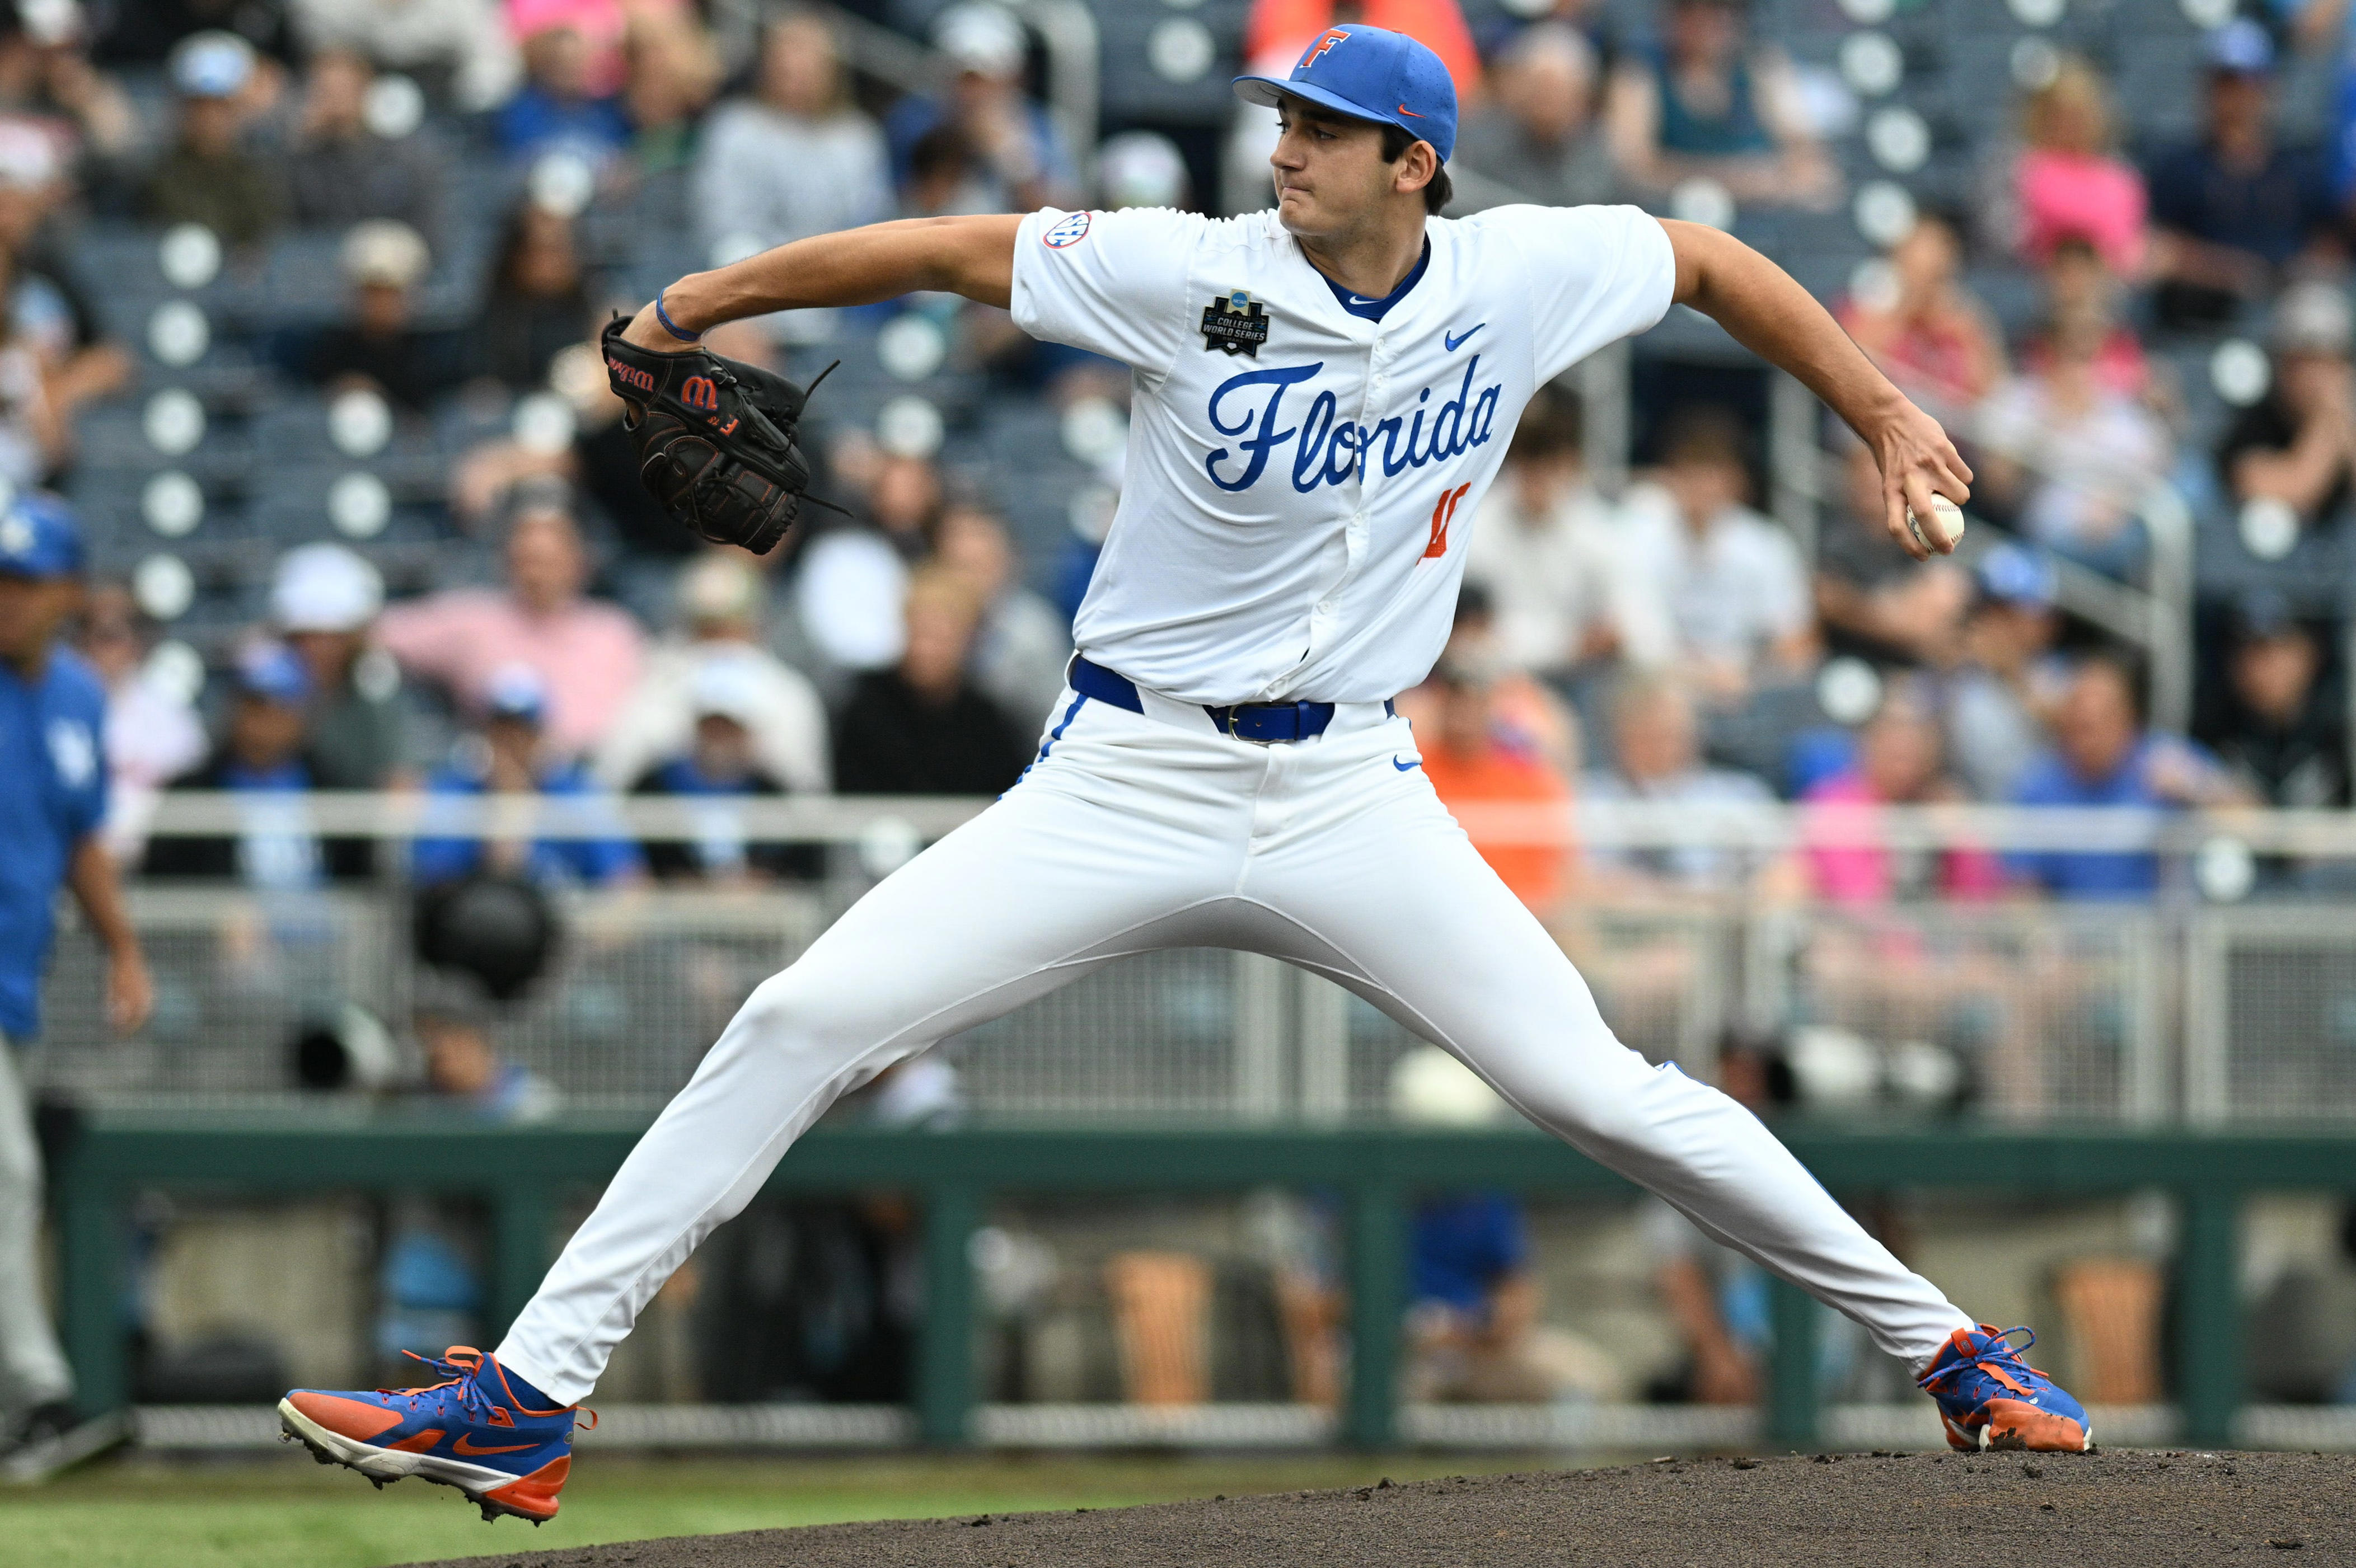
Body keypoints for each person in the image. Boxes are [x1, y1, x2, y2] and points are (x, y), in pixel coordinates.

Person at [281, 26, 2090, 1525]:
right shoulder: (1182, 268)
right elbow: (933, 247)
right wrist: (694, 301)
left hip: (1355, 795)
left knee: (1603, 1092)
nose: (1285, 144)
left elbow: (1705, 263)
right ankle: (526, 1399)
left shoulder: (1517, 276)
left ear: (1414, 167)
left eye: (1327, 127)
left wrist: (1866, 401)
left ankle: (1951, 1356)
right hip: (1125, 771)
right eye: (1285, 116)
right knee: (799, 1015)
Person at [0, 493, 149, 1455]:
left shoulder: (78, 698)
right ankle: (37, 1393)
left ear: (68, 591)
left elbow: (79, 835)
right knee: (7, 1171)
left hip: (17, 978)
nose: (8, 599)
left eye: (25, 581)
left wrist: (122, 946)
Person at [376, 504, 645, 759]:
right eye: (527, 561)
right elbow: (380, 631)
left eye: (549, 561)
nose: (537, 574)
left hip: (595, 782)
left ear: (579, 563)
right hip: (494, 781)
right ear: (506, 563)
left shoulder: (614, 631)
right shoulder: (473, 620)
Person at [1462, 389, 1670, 680]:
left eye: (1552, 461)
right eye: (1530, 460)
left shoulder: (1594, 527)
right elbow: (1475, 645)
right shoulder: (1477, 527)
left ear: (1572, 462)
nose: (1540, 476)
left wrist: (1616, 637)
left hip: (1586, 688)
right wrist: (1572, 644)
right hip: (1500, 689)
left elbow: (1646, 632)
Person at [2144, 22, 2335, 332]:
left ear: (2268, 88)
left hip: (2290, 311)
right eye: (2226, 82)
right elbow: (2160, 250)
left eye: (2248, 83)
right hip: (2207, 311)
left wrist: (2290, 275)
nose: (2237, 96)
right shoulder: (2178, 169)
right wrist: (2235, 274)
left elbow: (2328, 242)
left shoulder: (2298, 168)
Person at [2006, 655, 2247, 900]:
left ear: (2129, 718)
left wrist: (2197, 789)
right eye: (2081, 722)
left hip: (2156, 931)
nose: (2091, 735)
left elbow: (2256, 823)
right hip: (2073, 933)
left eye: (2103, 718)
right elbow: (2022, 885)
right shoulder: (2040, 784)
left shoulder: (2165, 760)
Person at [1621, 406, 1816, 703]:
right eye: (1691, 473)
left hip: (1746, 690)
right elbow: (1630, 632)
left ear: (1736, 481)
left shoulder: (1765, 544)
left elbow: (1797, 643)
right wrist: (1691, 677)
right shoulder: (1639, 536)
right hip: (1664, 689)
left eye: (1711, 474)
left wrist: (1752, 676)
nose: (1701, 487)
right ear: (1671, 477)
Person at [593, 552, 830, 796]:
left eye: (730, 627)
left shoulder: (789, 693)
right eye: (707, 629)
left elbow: (807, 797)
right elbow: (614, 782)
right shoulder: (651, 686)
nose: (718, 645)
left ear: (754, 624)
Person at [1973, 291, 2170, 579]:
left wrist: (2118, 505)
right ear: (2048, 351)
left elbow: (2159, 479)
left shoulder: (2124, 415)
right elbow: (1996, 490)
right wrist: (2050, 423)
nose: (2080, 369)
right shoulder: (2014, 401)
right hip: (2040, 541)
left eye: (2088, 355)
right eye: (2070, 353)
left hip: (2116, 540)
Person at [142, 642, 371, 885]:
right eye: (254, 705)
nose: (265, 723)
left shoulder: (337, 788)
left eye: (280, 707)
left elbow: (361, 879)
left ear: (303, 715)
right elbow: (168, 883)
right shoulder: (190, 793)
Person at [690, 14, 889, 285]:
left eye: (809, 57)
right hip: (747, 283)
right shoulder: (735, 128)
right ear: (767, 64)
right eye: (788, 55)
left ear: (832, 68)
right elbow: (721, 223)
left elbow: (870, 223)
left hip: (839, 285)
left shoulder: (859, 139)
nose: (797, 68)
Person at [409, 665, 643, 890]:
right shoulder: (454, 789)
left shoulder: (577, 791)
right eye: (503, 728)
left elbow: (624, 879)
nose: (513, 742)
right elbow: (435, 882)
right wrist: (508, 801)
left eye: (523, 730)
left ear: (540, 734)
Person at [1603, 0, 1837, 211]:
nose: (1705, 24)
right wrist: (1743, 180)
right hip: (1674, 224)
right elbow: (1634, 169)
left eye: (1720, 10)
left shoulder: (1764, 67)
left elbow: (1812, 166)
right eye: (1691, 11)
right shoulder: (1639, 72)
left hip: (1761, 220)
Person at [830, 567, 1029, 796]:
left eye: (941, 637)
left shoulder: (988, 720)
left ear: (970, 639)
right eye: (921, 633)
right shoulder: (864, 706)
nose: (927, 649)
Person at [1413, 647, 1576, 916]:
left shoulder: (1529, 778)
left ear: (1491, 702)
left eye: (1474, 698)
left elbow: (1560, 874)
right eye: (1455, 696)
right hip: (1433, 915)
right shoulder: (1410, 767)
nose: (1463, 709)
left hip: (1520, 917)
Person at [883, 3, 1077, 213]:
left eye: (984, 79)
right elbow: (904, 214)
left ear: (1013, 77)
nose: (972, 93)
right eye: (963, 78)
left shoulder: (1042, 124)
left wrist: (1012, 158)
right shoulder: (913, 118)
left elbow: (1061, 220)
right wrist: (951, 148)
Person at [628, 660, 809, 884]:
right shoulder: (654, 785)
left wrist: (757, 883)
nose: (720, 737)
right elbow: (636, 863)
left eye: (730, 726)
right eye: (712, 724)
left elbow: (792, 864)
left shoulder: (773, 791)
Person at [72, 580, 205, 861]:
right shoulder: (50, 708)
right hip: (71, 864)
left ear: (139, 641)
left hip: (154, 867)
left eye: (116, 634)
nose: (105, 647)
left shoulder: (172, 716)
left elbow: (193, 802)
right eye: (95, 631)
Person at [1814, 438, 1972, 669]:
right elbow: (1826, 599)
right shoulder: (1832, 532)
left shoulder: (1921, 529)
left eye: (1877, 477)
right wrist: (1890, 617)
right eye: (1863, 478)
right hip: (1842, 663)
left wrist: (1867, 610)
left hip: (1909, 672)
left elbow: (1937, 611)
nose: (1871, 487)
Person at [2217, 280, 2356, 540]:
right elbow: (2296, 489)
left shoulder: (2347, 420)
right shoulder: (2251, 422)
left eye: (2330, 361)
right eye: (2306, 361)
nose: (2320, 376)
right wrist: (2328, 420)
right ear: (2281, 365)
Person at [1835, 214, 2007, 417]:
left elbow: (1989, 392)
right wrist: (1906, 312)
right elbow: (1848, 366)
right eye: (1922, 250)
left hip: (1947, 427)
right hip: (1878, 419)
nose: (1933, 262)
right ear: (1899, 255)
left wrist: (1963, 331)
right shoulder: (1869, 301)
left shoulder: (1964, 318)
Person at [2194, 594, 2349, 813]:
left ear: (2312, 655)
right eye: (2248, 652)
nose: (2261, 669)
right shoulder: (2211, 732)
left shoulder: (2341, 735)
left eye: (2278, 650)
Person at [271, 542, 406, 792]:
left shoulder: (376, 700)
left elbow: (399, 787)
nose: (320, 648)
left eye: (334, 637)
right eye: (309, 635)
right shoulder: (264, 696)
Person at [1941, 544, 2068, 804]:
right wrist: (1952, 664)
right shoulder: (1955, 673)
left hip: (2044, 819)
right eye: (1994, 613)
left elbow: (2074, 741)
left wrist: (2012, 671)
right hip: (1972, 821)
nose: (2004, 627)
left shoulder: (2063, 674)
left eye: (2015, 615)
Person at [284, 46, 447, 247]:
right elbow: (290, 224)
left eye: (341, 90)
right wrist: (298, 146)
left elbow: (431, 229)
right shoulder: (304, 156)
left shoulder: (406, 153)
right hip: (325, 261)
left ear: (366, 91)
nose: (333, 100)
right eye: (323, 91)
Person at [929, 503, 1071, 730]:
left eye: (980, 566)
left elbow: (1054, 721)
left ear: (1006, 562)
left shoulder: (1033, 632)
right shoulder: (923, 621)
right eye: (960, 567)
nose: (970, 582)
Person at [301, 219, 465, 413]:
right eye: (372, 292)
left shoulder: (437, 358)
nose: (381, 304)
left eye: (391, 292)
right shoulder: (327, 353)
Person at [1450, 22, 1616, 210]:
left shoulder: (1601, 155)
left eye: (1557, 88)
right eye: (1538, 86)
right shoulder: (1478, 144)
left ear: (1583, 96)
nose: (1546, 98)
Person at [2004, 57, 2144, 279]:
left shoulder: (2121, 178)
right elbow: (2011, 243)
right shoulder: (2020, 168)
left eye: (2080, 113)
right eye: (2061, 113)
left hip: (2105, 295)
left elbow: (2130, 253)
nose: (2072, 123)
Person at [140, 30, 283, 247]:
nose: (209, 118)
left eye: (220, 106)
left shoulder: (263, 179)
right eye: (198, 105)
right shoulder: (155, 180)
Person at [288, 0, 517, 111]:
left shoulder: (462, 6)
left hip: (443, 104)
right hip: (361, 103)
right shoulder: (328, 7)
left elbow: (495, 64)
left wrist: (460, 100)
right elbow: (318, 43)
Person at [470, 198, 590, 392]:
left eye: (558, 250)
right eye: (539, 251)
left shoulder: (596, 316)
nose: (548, 264)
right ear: (516, 255)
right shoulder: (492, 319)